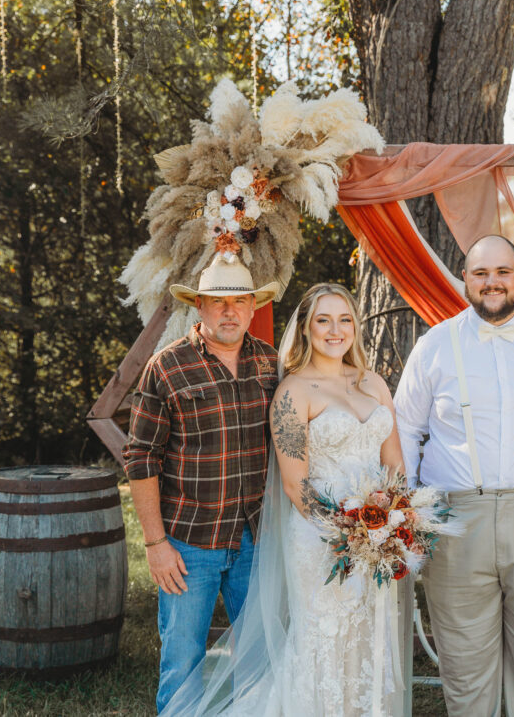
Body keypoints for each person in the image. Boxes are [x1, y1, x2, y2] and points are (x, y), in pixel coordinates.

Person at [159, 282, 408, 717]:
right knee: (324, 639)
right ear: (307, 329)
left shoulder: (375, 384)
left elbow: (395, 467)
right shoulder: (293, 393)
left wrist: (394, 528)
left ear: (356, 326)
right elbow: (295, 485)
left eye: (344, 319)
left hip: (378, 540)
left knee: (371, 636)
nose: (335, 330)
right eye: (323, 320)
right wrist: (352, 537)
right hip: (321, 539)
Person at [395, 234, 514, 717]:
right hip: (456, 518)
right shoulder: (434, 345)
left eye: (502, 272)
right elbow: (405, 428)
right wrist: (411, 512)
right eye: (480, 273)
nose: (491, 282)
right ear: (465, 281)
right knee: (464, 664)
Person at [122, 253, 281, 714]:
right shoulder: (167, 367)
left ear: (253, 307)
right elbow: (140, 457)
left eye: (239, 301)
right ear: (198, 306)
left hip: (255, 537)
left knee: (259, 657)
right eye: (217, 302)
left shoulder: (272, 365)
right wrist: (155, 544)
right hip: (189, 544)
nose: (228, 311)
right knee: (182, 660)